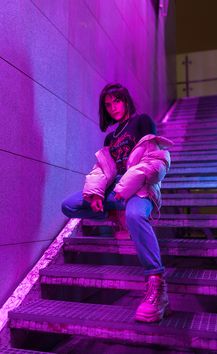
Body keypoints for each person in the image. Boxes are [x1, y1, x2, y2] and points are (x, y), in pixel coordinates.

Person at [62, 83, 173, 322]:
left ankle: (157, 283)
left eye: (117, 101)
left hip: (140, 187)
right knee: (69, 205)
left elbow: (154, 160)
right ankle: (116, 216)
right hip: (116, 189)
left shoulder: (142, 121)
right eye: (108, 104)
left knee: (135, 216)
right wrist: (96, 194)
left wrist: (127, 186)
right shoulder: (110, 137)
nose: (113, 107)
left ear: (126, 99)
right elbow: (103, 171)